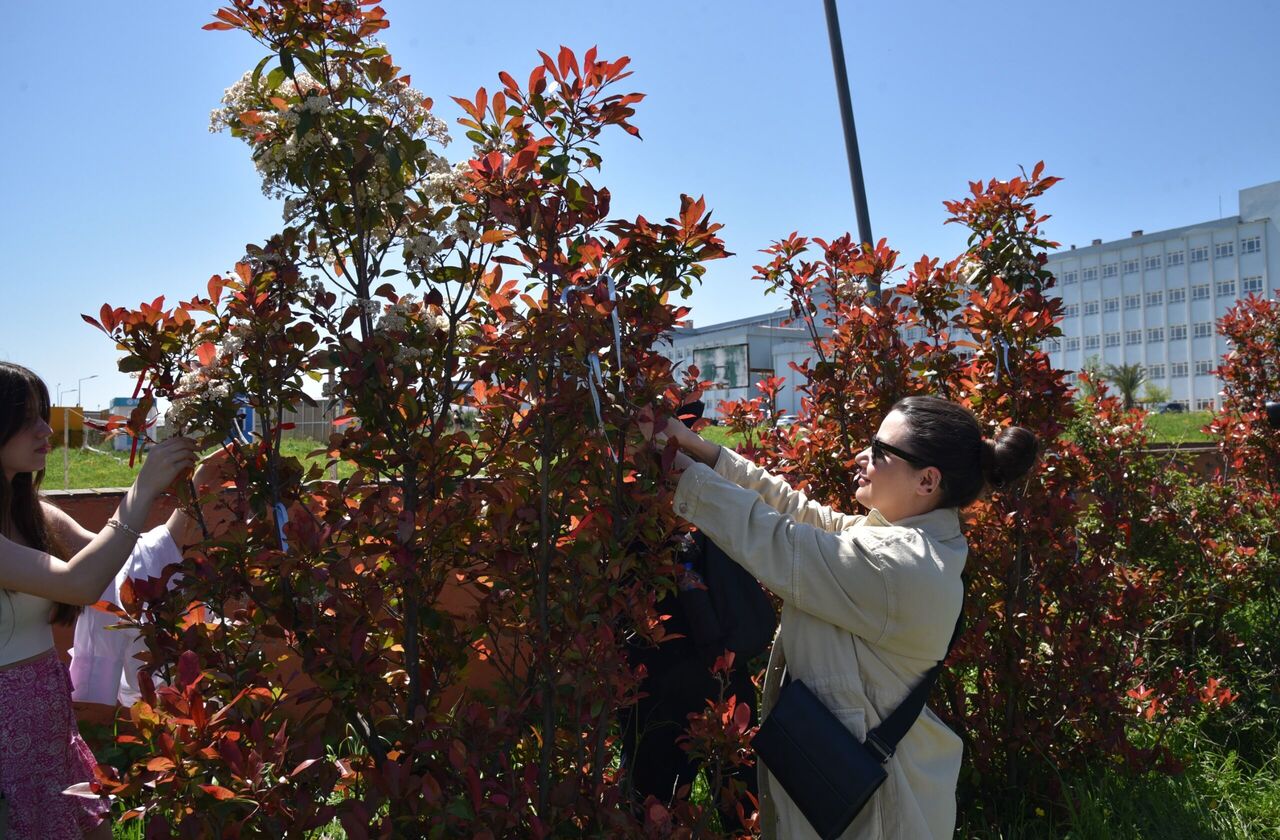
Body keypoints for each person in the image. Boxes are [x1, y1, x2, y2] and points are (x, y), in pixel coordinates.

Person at [653, 395, 1038, 839]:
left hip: (878, 816)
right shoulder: (910, 539)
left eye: (880, 451)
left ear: (927, 480)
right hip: (868, 792)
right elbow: (801, 515)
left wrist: (677, 470)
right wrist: (699, 449)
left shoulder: (898, 565)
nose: (861, 456)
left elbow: (781, 542)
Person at [0, 362, 198, 839]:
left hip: (43, 712)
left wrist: (192, 496)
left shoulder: (34, 514)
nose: (46, 430)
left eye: (43, 414)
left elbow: (122, 564)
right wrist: (142, 488)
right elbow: (80, 583)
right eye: (27, 419)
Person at [621, 401, 776, 827]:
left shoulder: (677, 488)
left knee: (723, 799)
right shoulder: (668, 490)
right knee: (687, 797)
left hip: (691, 664)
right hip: (694, 663)